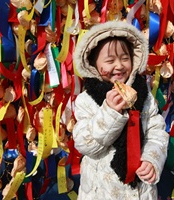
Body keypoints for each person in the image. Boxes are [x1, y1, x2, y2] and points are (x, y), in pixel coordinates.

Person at [72, 21, 169, 199]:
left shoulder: (144, 96)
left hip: (140, 191)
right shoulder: (86, 101)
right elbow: (84, 144)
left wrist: (152, 159)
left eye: (125, 58)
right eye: (109, 61)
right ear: (94, 65)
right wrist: (109, 113)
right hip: (101, 191)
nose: (119, 66)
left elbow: (157, 133)